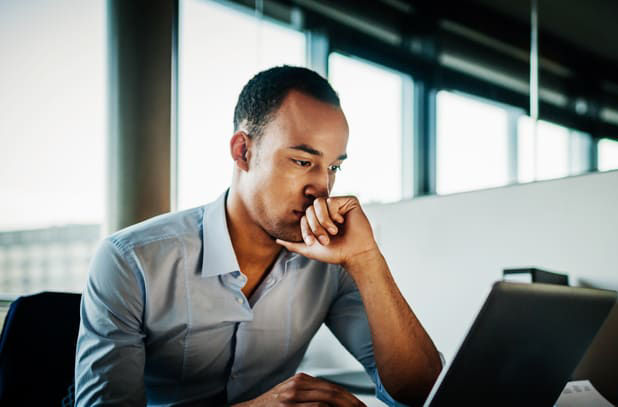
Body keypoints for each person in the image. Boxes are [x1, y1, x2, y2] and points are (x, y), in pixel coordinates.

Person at [75, 65, 442, 406]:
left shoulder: (331, 262)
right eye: (302, 161)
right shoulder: (131, 260)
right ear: (243, 151)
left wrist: (367, 260)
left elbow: (421, 393)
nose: (322, 187)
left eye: (333, 167)